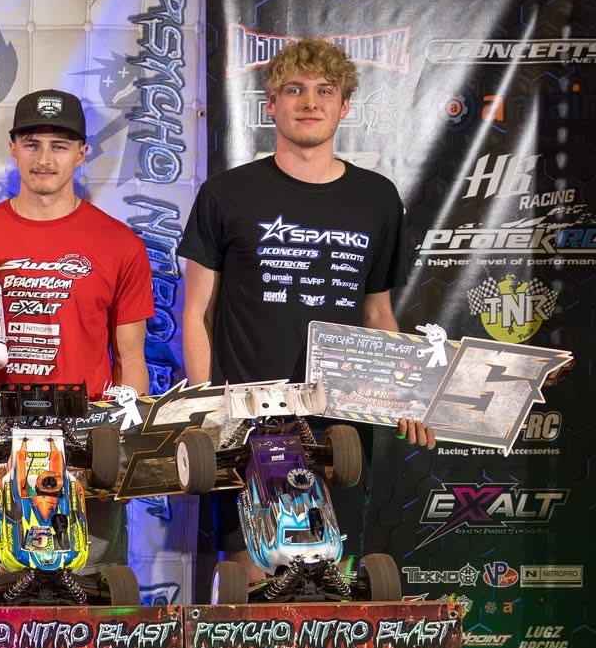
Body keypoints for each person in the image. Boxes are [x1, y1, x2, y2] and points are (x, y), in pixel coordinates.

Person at [178, 37, 434, 582]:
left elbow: (378, 316)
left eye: (325, 91)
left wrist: (409, 392)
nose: (309, 102)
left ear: (344, 106)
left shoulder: (378, 198)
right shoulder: (226, 194)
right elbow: (196, 313)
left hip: (339, 422)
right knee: (255, 581)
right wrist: (209, 411)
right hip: (246, 421)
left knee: (323, 578)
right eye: (293, 90)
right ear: (270, 105)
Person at [0, 88, 155, 574]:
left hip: (84, 447)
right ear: (13, 147)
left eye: (59, 146)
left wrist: (121, 444)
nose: (44, 158)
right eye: (32, 143)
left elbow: (131, 358)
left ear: (82, 153)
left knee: (90, 603)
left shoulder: (120, 244)